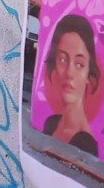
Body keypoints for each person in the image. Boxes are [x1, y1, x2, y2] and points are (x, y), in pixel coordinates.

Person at [42, 14, 100, 157]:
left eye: (79, 64)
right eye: (62, 59)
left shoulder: (85, 145)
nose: (69, 73)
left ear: (89, 73)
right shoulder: (51, 123)